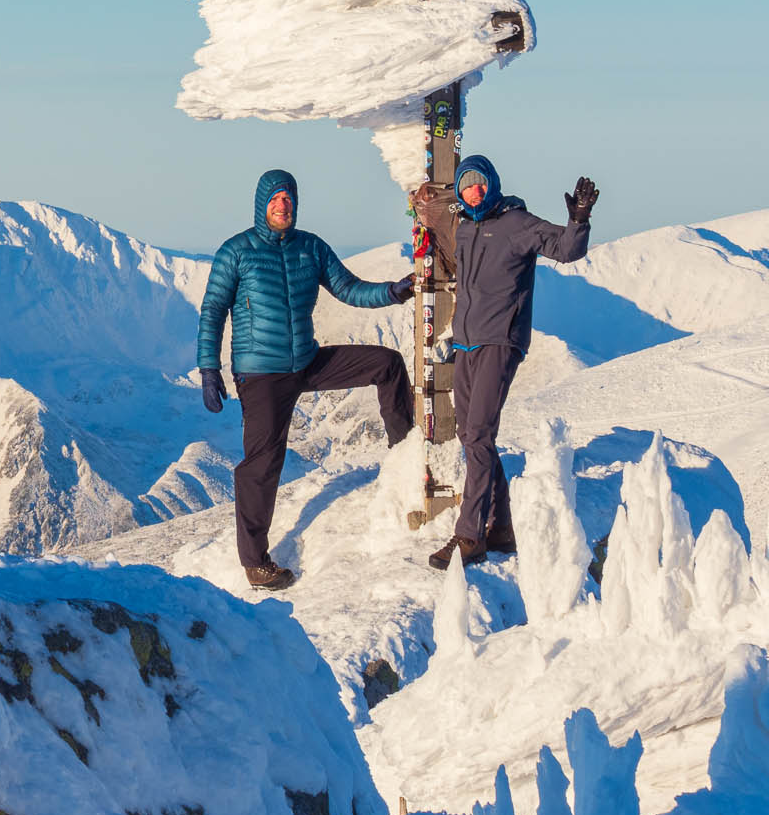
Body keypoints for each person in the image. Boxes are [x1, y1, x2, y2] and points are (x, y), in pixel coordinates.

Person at [198, 169, 416, 590]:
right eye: (276, 199)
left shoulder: (310, 248)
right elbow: (212, 310)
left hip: (308, 362)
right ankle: (255, 562)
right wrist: (209, 367)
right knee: (262, 463)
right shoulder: (236, 252)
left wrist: (394, 291)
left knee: (386, 364)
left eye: (289, 199)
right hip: (262, 374)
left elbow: (348, 288)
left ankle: (404, 454)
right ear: (262, 204)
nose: (283, 205)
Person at [426, 155, 596, 571]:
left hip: (501, 340)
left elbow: (566, 249)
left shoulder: (517, 223)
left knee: (479, 434)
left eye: (480, 184)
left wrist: (578, 219)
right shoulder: (464, 230)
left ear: (493, 185)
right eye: (467, 186)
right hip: (466, 344)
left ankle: (469, 537)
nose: (474, 191)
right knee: (471, 434)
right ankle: (500, 527)